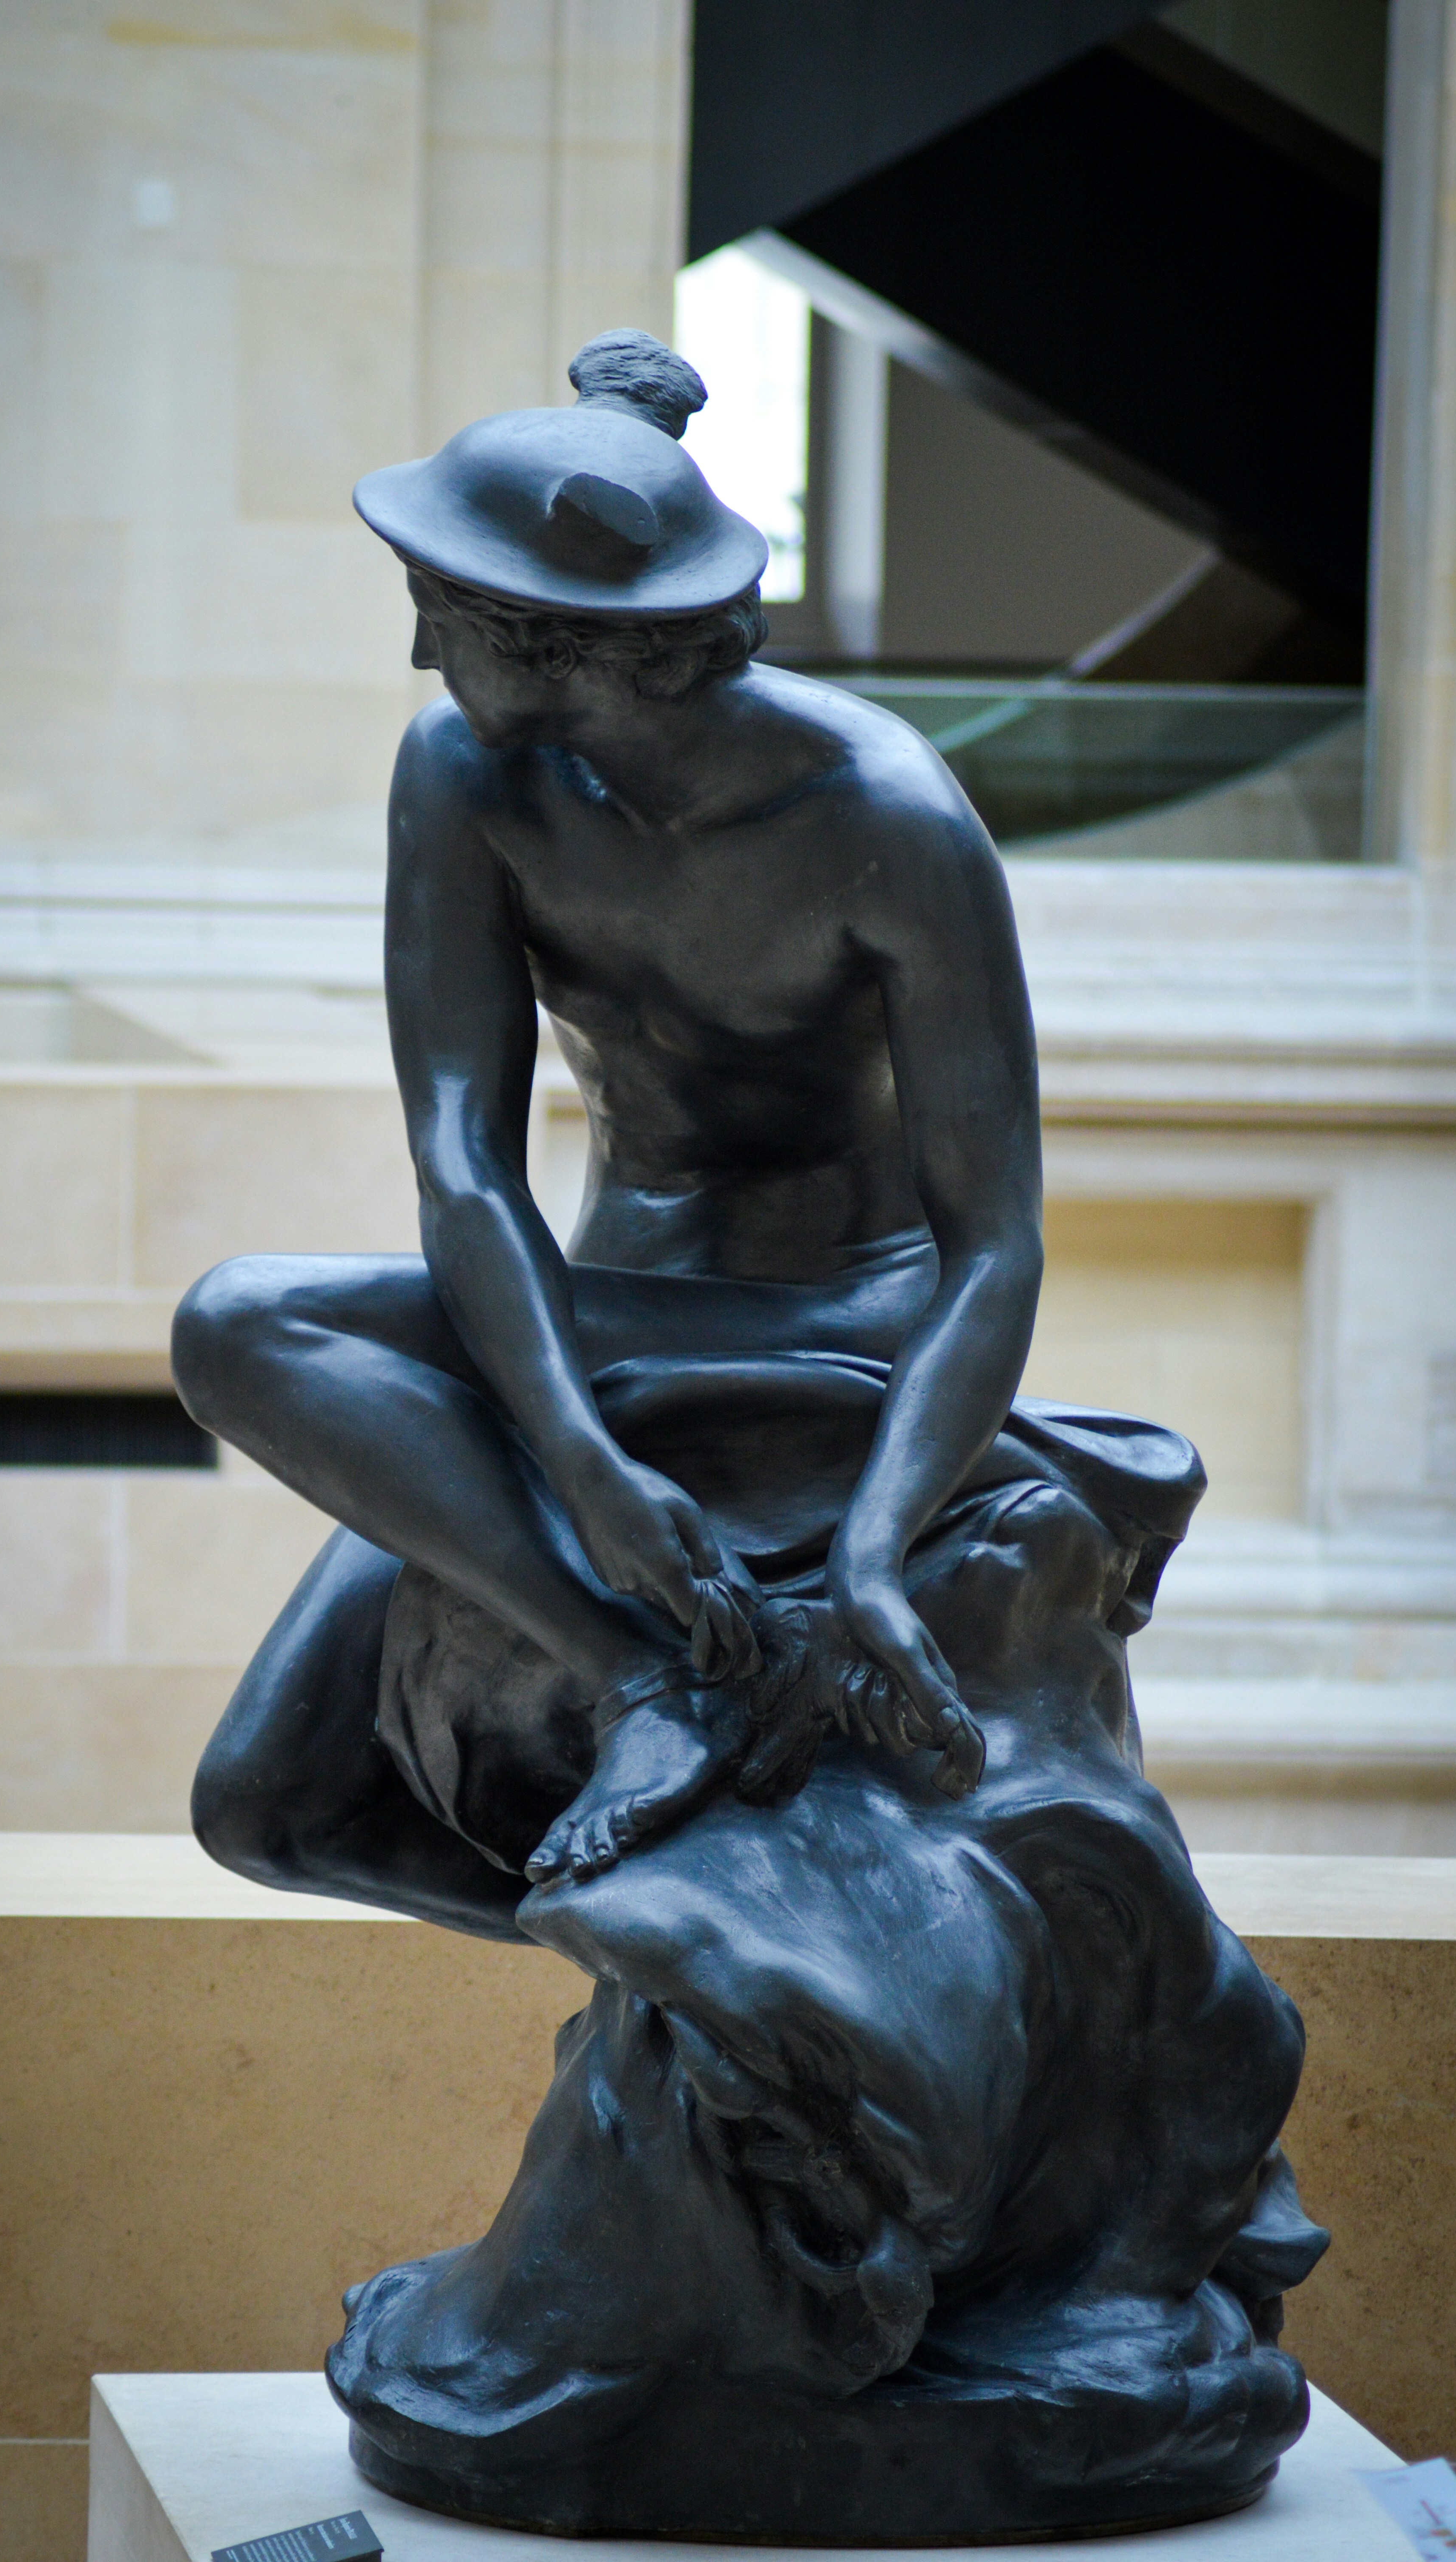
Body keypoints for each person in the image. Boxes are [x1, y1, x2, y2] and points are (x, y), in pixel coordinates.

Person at [172, 327, 1038, 1909]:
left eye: (446, 616)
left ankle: (659, 1716)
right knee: (264, 1808)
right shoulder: (465, 774)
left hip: (827, 1318)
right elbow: (462, 1162)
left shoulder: (890, 821)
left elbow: (996, 1249)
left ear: (573, 643)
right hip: (599, 1298)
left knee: (241, 1320)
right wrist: (574, 1454)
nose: (425, 658)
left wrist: (873, 1545)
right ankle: (665, 1789)